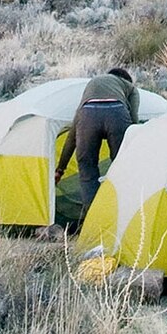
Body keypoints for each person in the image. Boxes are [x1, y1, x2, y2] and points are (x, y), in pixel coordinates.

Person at [55, 68, 140, 225]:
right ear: (126, 80)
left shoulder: (91, 86)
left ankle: (92, 224)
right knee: (122, 168)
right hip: (116, 113)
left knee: (87, 172)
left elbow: (72, 136)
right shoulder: (130, 87)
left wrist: (60, 169)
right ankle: (122, 220)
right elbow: (134, 123)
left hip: (87, 115)